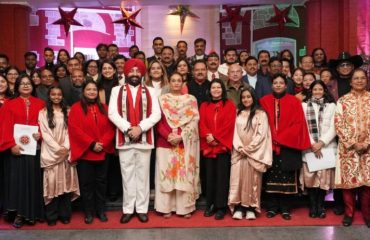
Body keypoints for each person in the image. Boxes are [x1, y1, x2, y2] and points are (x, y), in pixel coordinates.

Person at [108, 59, 161, 224]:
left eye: (138, 71)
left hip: (145, 139)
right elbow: (112, 113)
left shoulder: (151, 91)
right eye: (132, 71)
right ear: (126, 73)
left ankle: (142, 209)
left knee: (143, 176)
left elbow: (156, 114)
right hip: (125, 139)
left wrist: (140, 128)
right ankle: (128, 209)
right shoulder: (116, 90)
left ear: (142, 73)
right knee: (127, 175)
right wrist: (129, 129)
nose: (135, 74)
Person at [259, 73, 311, 220]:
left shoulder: (294, 101)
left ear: (286, 85)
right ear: (271, 85)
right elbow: (260, 122)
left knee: (287, 177)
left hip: (288, 146)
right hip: (269, 146)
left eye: (281, 82)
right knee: (270, 177)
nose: (278, 85)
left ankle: (286, 208)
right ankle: (273, 207)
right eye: (275, 82)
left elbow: (298, 124)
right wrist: (272, 138)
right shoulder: (264, 101)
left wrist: (281, 138)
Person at [0, 75, 45, 228]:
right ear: (17, 86)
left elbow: (45, 125)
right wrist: (11, 145)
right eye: (22, 84)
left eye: (28, 83)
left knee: (32, 180)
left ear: (33, 86)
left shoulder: (41, 104)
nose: (25, 86)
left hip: (35, 149)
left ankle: (32, 212)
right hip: (15, 150)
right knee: (18, 182)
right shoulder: (9, 104)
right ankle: (19, 213)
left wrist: (41, 135)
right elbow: (4, 127)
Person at [68, 80, 115, 224]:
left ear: (98, 92)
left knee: (101, 183)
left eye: (94, 89)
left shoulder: (105, 108)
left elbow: (111, 128)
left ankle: (100, 210)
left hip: (102, 151)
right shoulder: (76, 108)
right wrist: (92, 144)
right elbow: (75, 129)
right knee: (87, 184)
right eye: (88, 89)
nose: (92, 92)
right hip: (86, 152)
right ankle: (88, 211)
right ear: (83, 91)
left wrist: (103, 143)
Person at [155, 72, 200, 218]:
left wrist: (181, 136)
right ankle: (165, 207)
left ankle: (184, 208)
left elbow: (194, 120)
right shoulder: (161, 99)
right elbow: (158, 121)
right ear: (169, 83)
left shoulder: (190, 99)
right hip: (165, 142)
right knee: (166, 175)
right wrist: (168, 135)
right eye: (173, 80)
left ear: (183, 83)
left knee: (184, 175)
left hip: (184, 142)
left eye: (179, 80)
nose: (176, 83)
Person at [228, 87, 272, 220]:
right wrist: (240, 147)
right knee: (237, 180)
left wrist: (248, 149)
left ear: (253, 98)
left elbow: (261, 134)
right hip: (239, 152)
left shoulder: (261, 114)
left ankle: (251, 208)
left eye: (249, 97)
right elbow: (233, 132)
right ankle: (239, 207)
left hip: (253, 153)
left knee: (253, 181)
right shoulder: (237, 113)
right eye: (243, 97)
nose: (246, 99)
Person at [38, 86, 80, 226]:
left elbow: (71, 131)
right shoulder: (43, 113)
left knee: (66, 184)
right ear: (49, 96)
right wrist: (58, 148)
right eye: (53, 94)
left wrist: (66, 147)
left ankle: (65, 214)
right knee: (52, 184)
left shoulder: (68, 111)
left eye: (59, 94)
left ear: (62, 96)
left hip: (66, 152)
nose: (56, 97)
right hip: (51, 153)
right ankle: (51, 216)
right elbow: (45, 133)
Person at [334, 68, 370, 228]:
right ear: (350, 81)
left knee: (367, 184)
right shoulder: (343, 101)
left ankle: (367, 215)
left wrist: (366, 143)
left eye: (363, 78)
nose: (360, 81)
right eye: (356, 78)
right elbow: (338, 123)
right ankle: (349, 214)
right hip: (348, 149)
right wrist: (353, 143)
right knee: (349, 184)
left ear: (367, 80)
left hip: (369, 148)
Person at [199, 79, 236, 220]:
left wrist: (215, 137)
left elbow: (229, 125)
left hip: (222, 148)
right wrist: (207, 136)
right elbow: (201, 122)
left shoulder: (230, 105)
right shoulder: (204, 105)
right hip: (208, 147)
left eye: (218, 87)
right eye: (213, 87)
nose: (216, 90)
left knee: (222, 178)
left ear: (223, 89)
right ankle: (210, 205)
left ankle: (221, 207)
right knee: (209, 177)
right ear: (210, 90)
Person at [301, 80, 336, 219]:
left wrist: (321, 142)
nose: (317, 92)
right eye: (314, 89)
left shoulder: (332, 106)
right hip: (309, 148)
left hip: (326, 147)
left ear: (324, 91)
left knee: (323, 180)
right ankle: (312, 205)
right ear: (311, 91)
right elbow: (302, 126)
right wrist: (312, 144)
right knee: (310, 179)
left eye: (320, 89)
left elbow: (334, 126)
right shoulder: (304, 105)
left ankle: (321, 206)